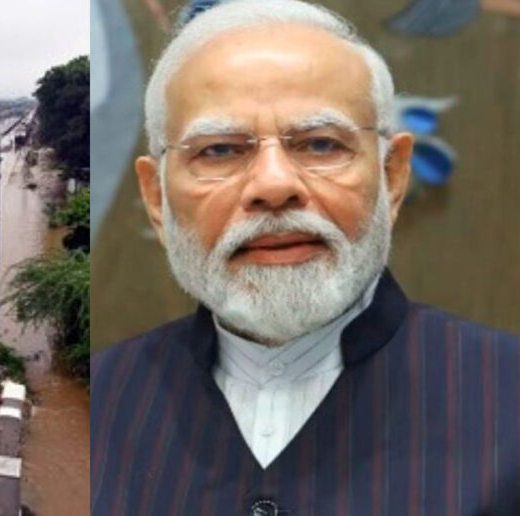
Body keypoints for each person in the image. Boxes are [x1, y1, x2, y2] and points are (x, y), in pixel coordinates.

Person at [90, 1, 520, 514]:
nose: (274, 186)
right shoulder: (100, 397)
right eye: (221, 150)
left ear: (392, 177)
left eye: (320, 144)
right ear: (156, 199)